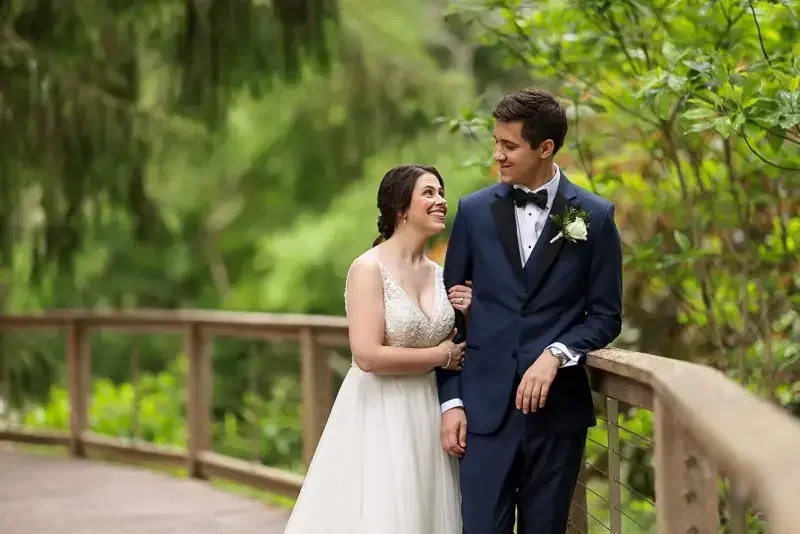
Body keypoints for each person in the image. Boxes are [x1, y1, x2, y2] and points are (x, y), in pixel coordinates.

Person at [437, 88, 623, 534]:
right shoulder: (473, 212)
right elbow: (446, 320)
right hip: (483, 414)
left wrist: (557, 352)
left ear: (545, 148)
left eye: (509, 145)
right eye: (496, 143)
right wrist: (451, 401)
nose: (497, 155)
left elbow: (606, 315)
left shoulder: (595, 217)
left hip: (556, 416)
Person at [283, 164, 472, 534]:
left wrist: (471, 309)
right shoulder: (368, 269)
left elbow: (459, 335)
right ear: (401, 209)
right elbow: (367, 356)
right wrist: (441, 356)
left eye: (441, 193)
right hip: (382, 412)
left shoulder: (440, 274)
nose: (441, 201)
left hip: (428, 411)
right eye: (429, 193)